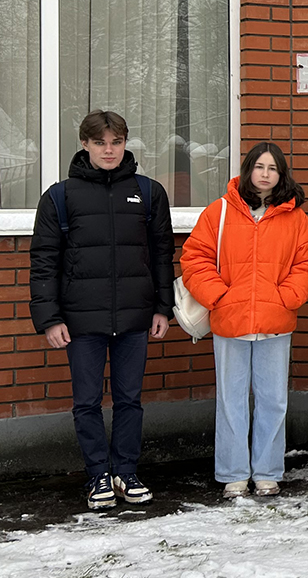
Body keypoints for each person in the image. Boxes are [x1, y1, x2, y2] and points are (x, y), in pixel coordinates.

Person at [30, 110, 175, 510]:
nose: (109, 150)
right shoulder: (59, 197)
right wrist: (50, 318)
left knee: (129, 400)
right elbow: (43, 261)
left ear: (126, 143)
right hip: (81, 320)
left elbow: (162, 256)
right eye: (100, 143)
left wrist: (163, 308)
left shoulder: (148, 193)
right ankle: (98, 476)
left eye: (116, 142)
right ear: (85, 144)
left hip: (134, 316)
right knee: (87, 402)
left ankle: (126, 471)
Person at [180, 142, 308, 499]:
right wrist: (219, 297)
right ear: (248, 170)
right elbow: (194, 258)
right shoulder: (219, 212)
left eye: (273, 168)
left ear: (281, 174)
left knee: (273, 400)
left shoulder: (294, 217)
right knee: (231, 401)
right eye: (259, 167)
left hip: (275, 322)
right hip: (230, 321)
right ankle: (233, 474)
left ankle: (267, 472)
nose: (265, 174)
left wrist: (286, 297)